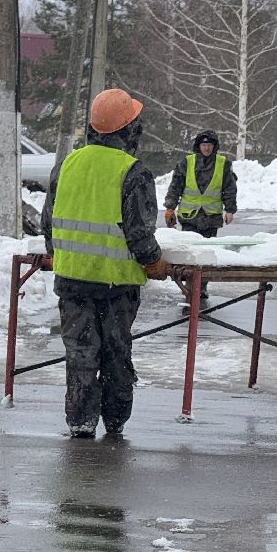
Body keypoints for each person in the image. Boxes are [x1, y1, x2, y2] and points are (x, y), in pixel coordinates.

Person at [41, 88, 170, 438]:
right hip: (116, 285)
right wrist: (155, 264)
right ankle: (115, 420)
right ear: (128, 129)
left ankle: (81, 420)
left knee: (81, 353)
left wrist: (57, 254)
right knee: (115, 353)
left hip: (71, 281)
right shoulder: (133, 172)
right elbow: (139, 233)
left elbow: (48, 222)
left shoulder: (66, 164)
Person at [163, 129, 238, 298]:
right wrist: (170, 207)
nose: (206, 148)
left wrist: (230, 209)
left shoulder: (223, 164)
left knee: (206, 253)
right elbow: (176, 186)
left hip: (211, 217)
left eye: (209, 145)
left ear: (214, 146)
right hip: (190, 216)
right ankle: (189, 284)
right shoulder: (187, 163)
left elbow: (229, 188)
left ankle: (201, 286)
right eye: (204, 145)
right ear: (198, 146)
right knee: (189, 252)